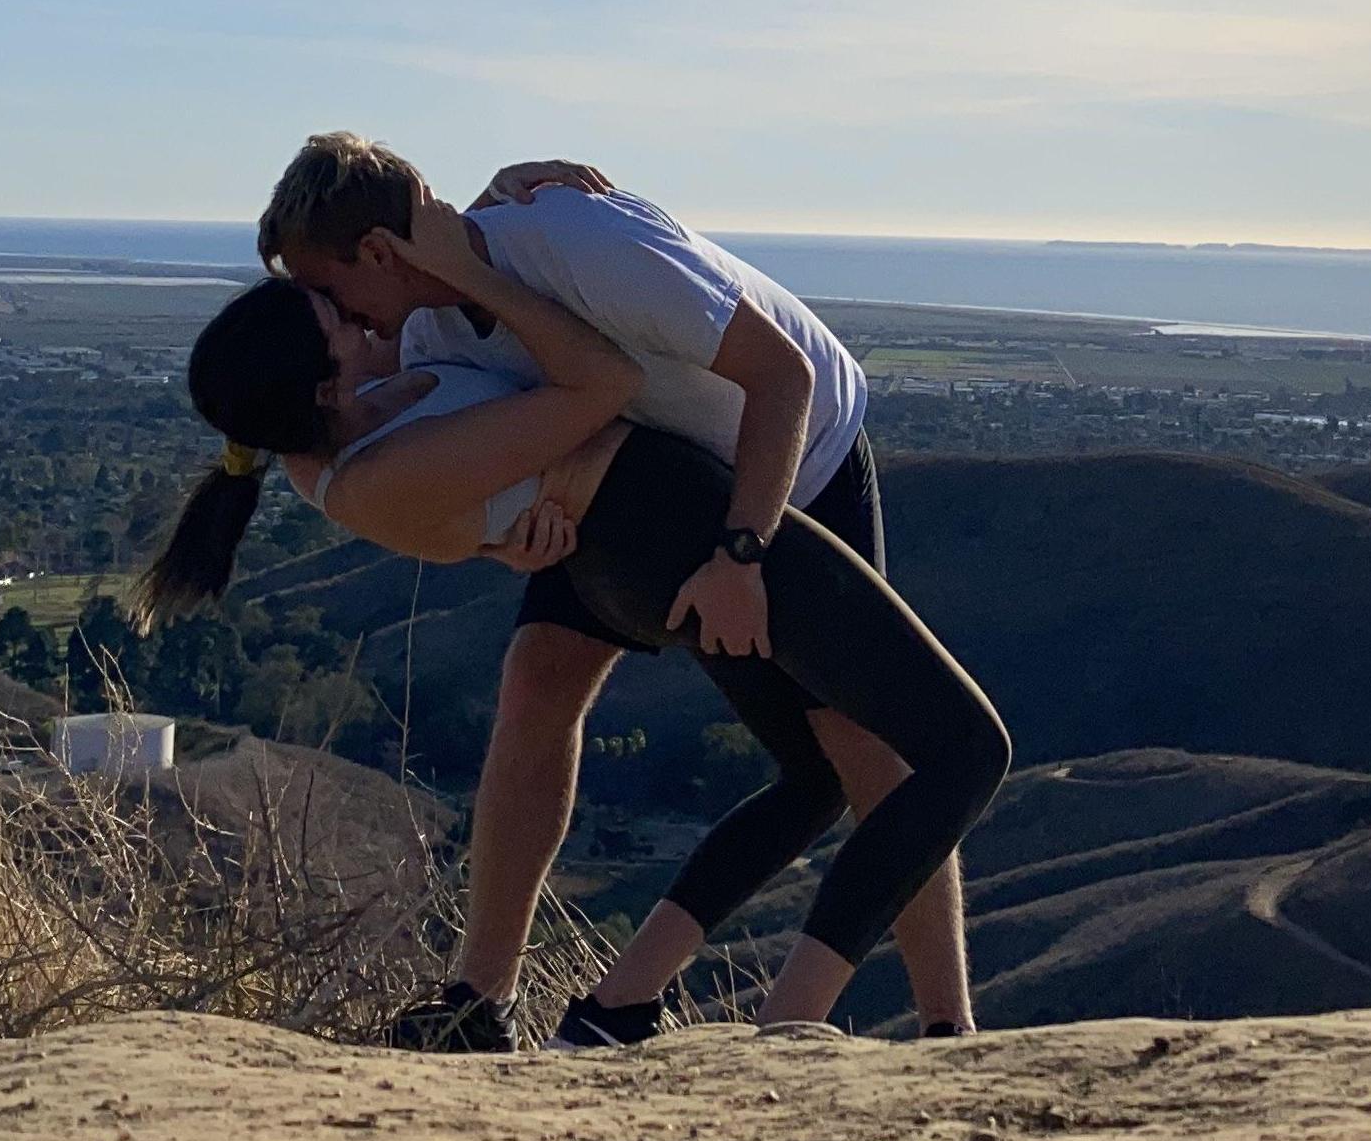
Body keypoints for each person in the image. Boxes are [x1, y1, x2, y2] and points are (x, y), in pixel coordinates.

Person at [142, 192, 1010, 1045]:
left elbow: (460, 479)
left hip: (661, 518)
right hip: (690, 525)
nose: (355, 319)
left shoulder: (372, 395)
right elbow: (606, 383)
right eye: (329, 315)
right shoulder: (375, 448)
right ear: (321, 385)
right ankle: (799, 1025)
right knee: (957, 750)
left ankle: (621, 1001)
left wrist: (503, 210)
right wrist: (735, 556)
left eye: (331, 292)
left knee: (817, 773)